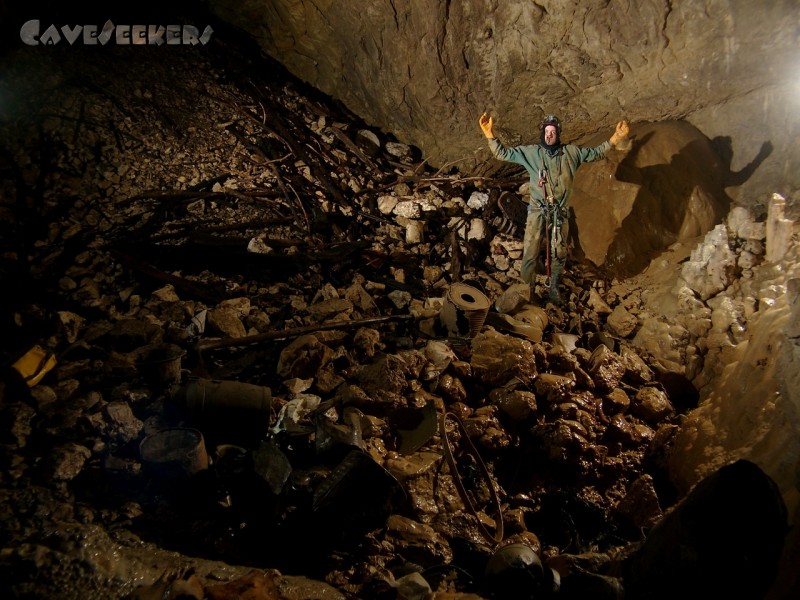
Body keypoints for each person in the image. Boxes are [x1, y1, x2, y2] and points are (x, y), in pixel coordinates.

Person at [479, 112, 629, 303]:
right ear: (543, 134)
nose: (549, 135)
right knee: (531, 251)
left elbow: (596, 153)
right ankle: (528, 290)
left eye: (553, 132)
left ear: (558, 134)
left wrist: (615, 138)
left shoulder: (571, 153)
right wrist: (489, 134)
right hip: (537, 211)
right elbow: (502, 153)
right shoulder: (532, 153)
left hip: (560, 213)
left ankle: (553, 287)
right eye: (547, 131)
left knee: (559, 252)